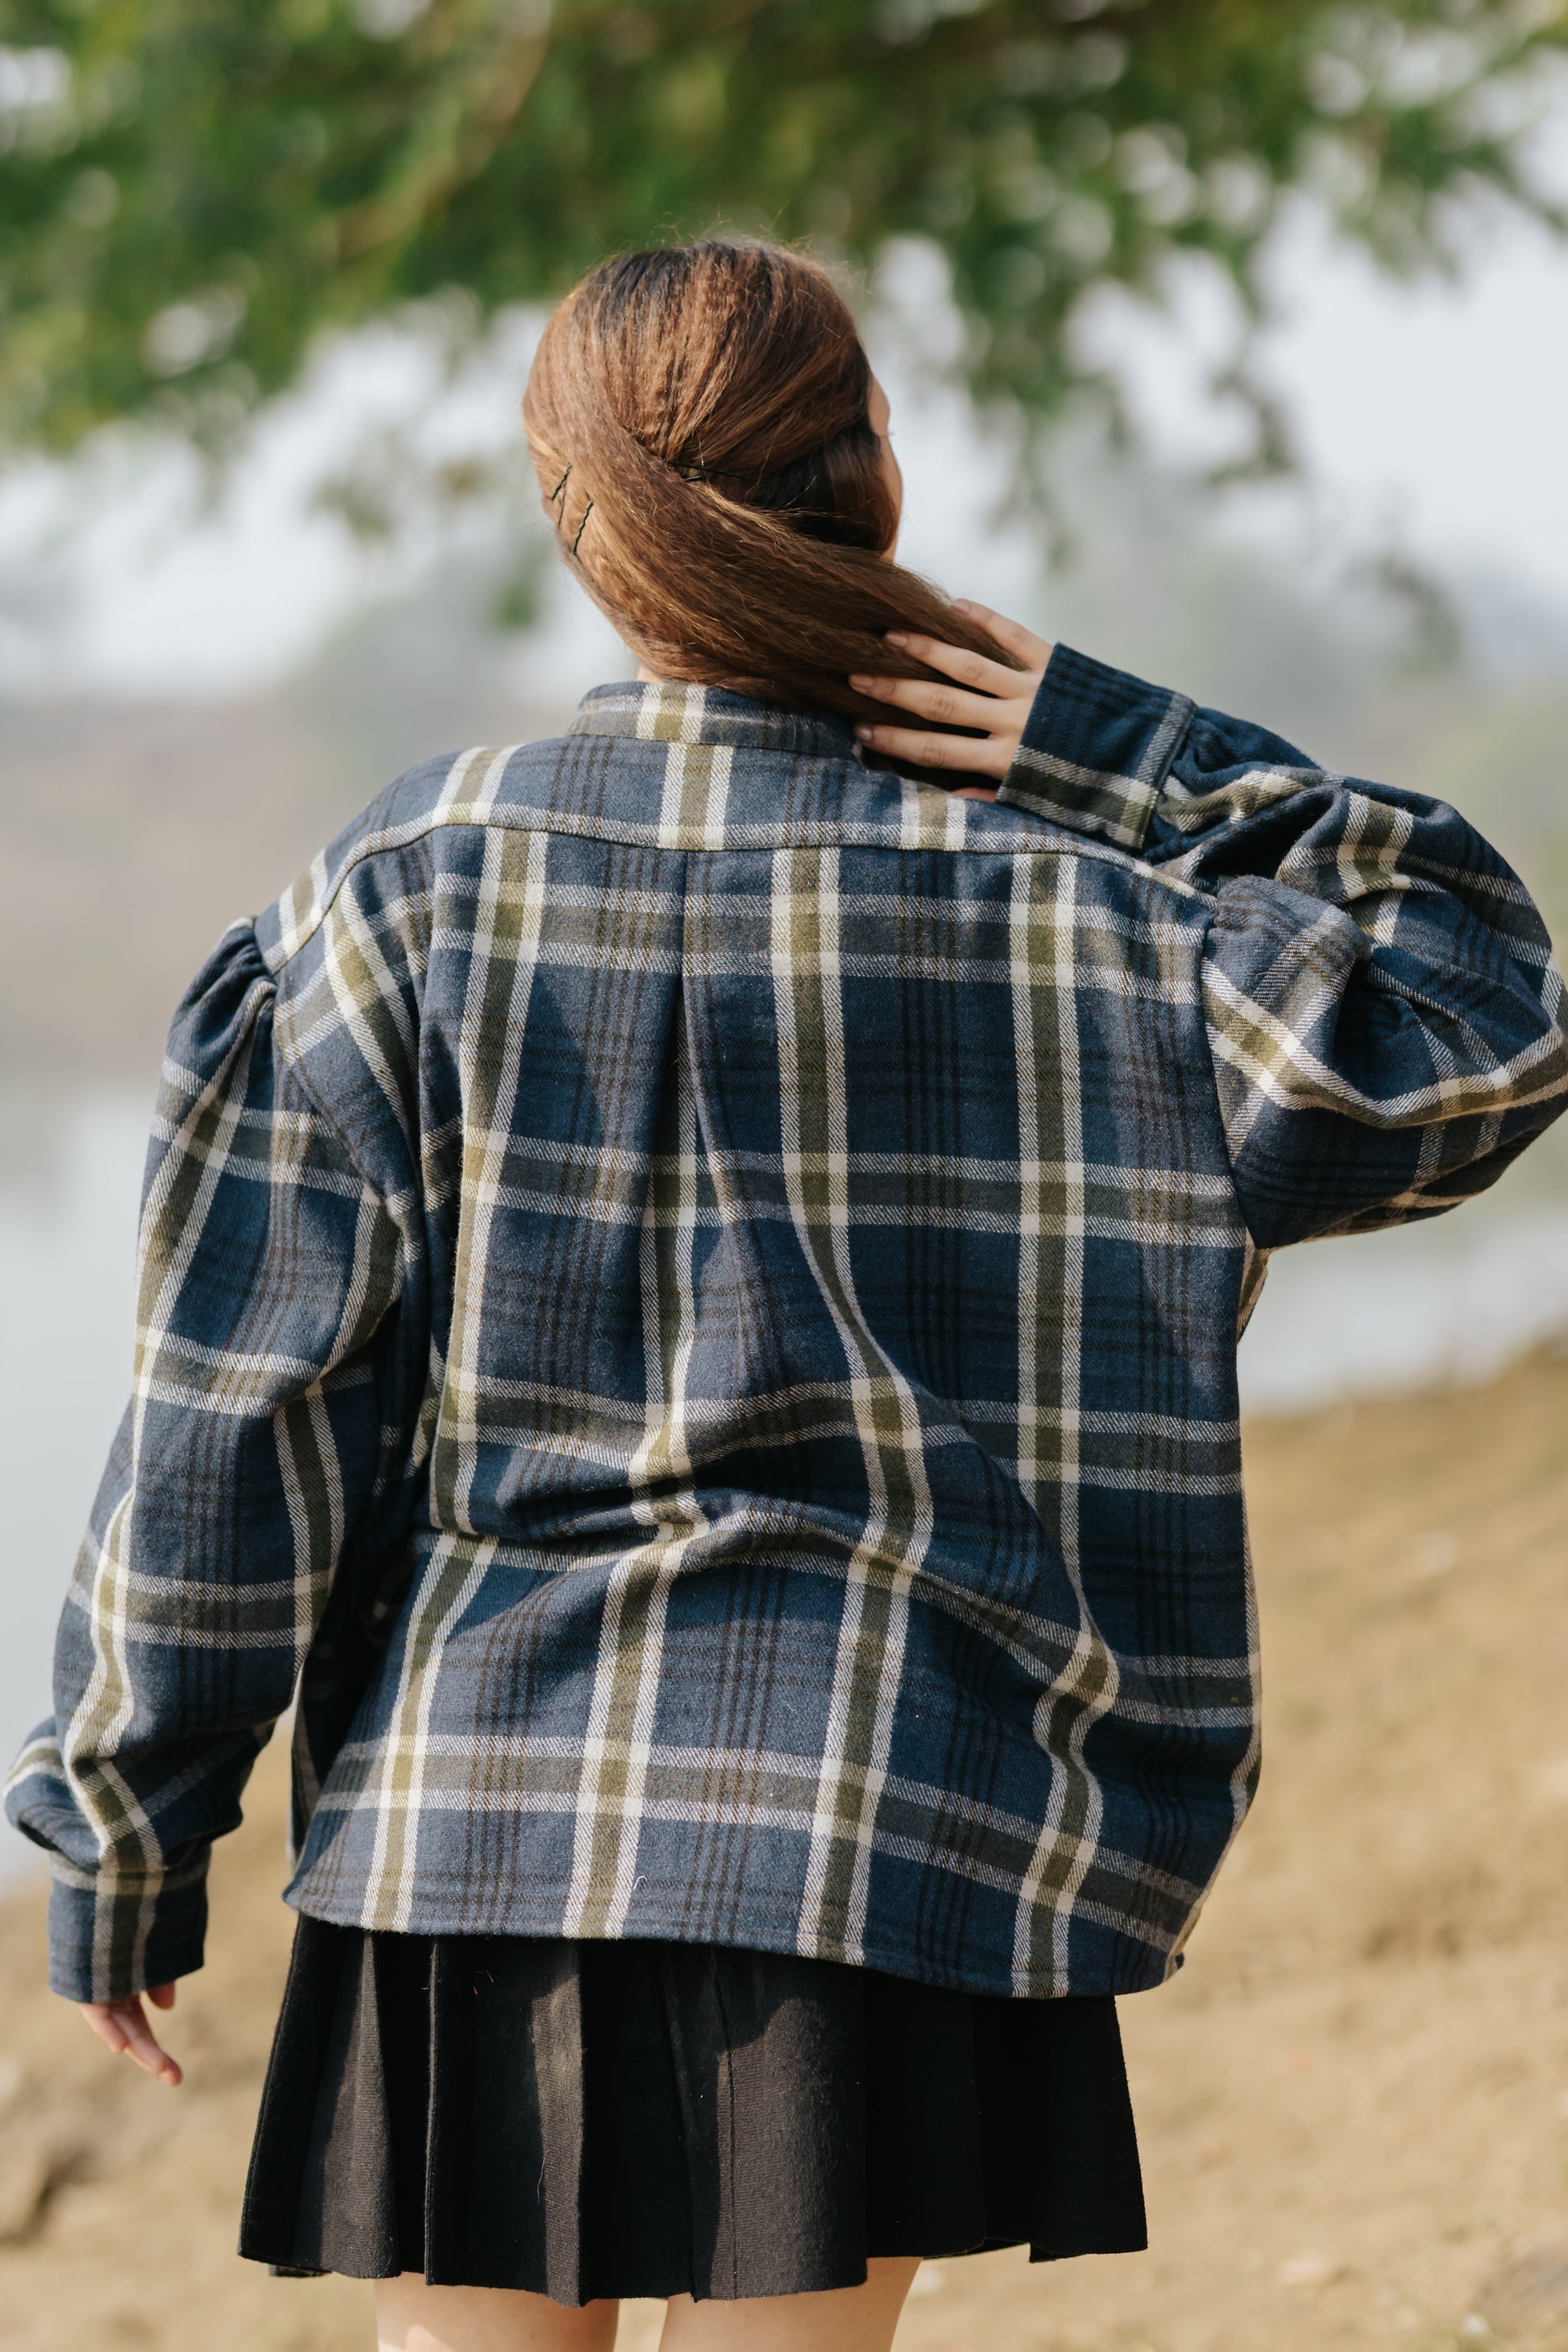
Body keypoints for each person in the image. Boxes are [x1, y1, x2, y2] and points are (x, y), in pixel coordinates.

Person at [7, 239, 1566, 2352]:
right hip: (895, 1810)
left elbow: (238, 1416)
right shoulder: (1083, 918)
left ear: (578, 520)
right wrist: (1113, 744)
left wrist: (123, 1823)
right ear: (882, 481)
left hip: (482, 1823)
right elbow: (1483, 1007)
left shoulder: (392, 900)